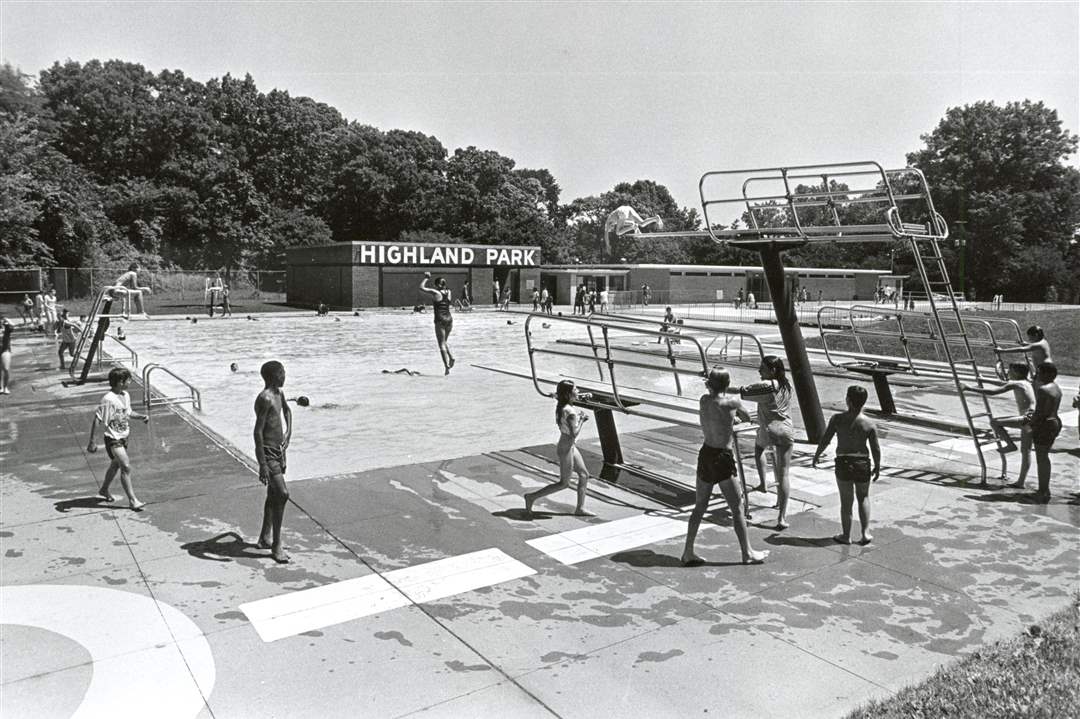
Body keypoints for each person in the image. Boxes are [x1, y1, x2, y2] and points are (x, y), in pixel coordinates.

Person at [681, 368, 769, 566]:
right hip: (722, 457)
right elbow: (747, 417)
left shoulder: (704, 400)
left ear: (710, 384)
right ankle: (747, 552)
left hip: (706, 454)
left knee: (700, 506)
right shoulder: (733, 403)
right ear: (728, 384)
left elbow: (716, 411)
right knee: (737, 507)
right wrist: (733, 418)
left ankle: (688, 551)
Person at [813, 386, 881, 545]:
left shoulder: (837, 419)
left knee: (846, 502)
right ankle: (865, 533)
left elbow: (825, 439)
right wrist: (877, 466)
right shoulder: (869, 423)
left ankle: (846, 535)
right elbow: (875, 448)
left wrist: (816, 455)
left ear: (848, 400)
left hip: (843, 462)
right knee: (863, 497)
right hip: (862, 463)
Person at [740, 355, 796, 530]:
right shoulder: (787, 385)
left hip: (769, 430)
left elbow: (742, 391)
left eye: (762, 368)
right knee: (784, 474)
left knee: (759, 449)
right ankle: (782, 517)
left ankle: (763, 483)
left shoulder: (767, 385)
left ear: (772, 370)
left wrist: (718, 384)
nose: (759, 371)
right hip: (786, 430)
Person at [525, 380, 594, 517]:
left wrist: (585, 396)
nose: (578, 391)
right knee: (564, 483)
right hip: (566, 448)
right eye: (576, 389)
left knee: (584, 475)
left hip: (567, 445)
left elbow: (559, 395)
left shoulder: (562, 405)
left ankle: (580, 508)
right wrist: (582, 419)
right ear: (568, 394)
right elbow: (574, 433)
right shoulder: (571, 412)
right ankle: (531, 497)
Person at [961, 363, 1035, 487]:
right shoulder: (1025, 382)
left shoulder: (1017, 383)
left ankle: (1010, 445)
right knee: (1026, 450)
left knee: (994, 422)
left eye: (1010, 371)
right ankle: (1020, 482)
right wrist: (984, 379)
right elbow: (1002, 383)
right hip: (1033, 418)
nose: (1007, 373)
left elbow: (993, 392)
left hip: (1026, 418)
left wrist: (969, 388)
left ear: (1016, 373)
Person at [86, 367, 149, 510]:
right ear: (120, 381)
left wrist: (141, 417)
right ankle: (133, 501)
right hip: (113, 439)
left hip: (124, 437)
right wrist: (92, 441)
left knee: (115, 465)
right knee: (125, 466)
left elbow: (128, 412)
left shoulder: (125, 395)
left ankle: (104, 490)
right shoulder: (108, 399)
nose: (130, 382)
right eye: (128, 380)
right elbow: (97, 419)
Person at [254, 360, 293, 563]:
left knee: (273, 494)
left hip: (279, 451)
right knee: (282, 494)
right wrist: (262, 464)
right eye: (281, 373)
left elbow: (287, 411)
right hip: (268, 453)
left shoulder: (279, 394)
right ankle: (277, 545)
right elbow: (258, 432)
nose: (284, 375)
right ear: (272, 376)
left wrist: (288, 433)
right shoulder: (265, 398)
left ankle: (264, 538)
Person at [1025, 362, 1062, 503]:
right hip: (1054, 422)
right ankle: (1044, 489)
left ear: (1049, 374)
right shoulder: (1056, 387)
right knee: (1044, 457)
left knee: (1041, 459)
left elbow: (1040, 412)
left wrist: (1030, 424)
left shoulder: (1043, 389)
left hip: (1044, 425)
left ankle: (1043, 491)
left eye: (1039, 372)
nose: (1036, 375)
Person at [419, 272, 455, 375]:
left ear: (437, 285)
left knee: (441, 344)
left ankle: (446, 367)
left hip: (440, 319)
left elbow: (421, 288)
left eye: (435, 285)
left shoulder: (436, 293)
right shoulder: (449, 292)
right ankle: (451, 357)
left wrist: (426, 278)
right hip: (449, 319)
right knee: (444, 341)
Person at [0, 315, 12, 394]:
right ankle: (1, 387)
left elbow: (12, 325)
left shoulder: (6, 328)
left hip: (5, 350)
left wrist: (7, 319)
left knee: (6, 369)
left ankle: (5, 387)